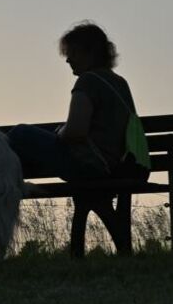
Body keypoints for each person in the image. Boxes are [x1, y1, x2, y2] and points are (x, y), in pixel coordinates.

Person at [7, 20, 145, 194]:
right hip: (118, 166)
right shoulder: (120, 83)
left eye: (72, 52)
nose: (68, 59)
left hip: (91, 167)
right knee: (40, 133)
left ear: (89, 53)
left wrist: (60, 133)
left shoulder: (88, 81)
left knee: (21, 133)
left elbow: (76, 132)